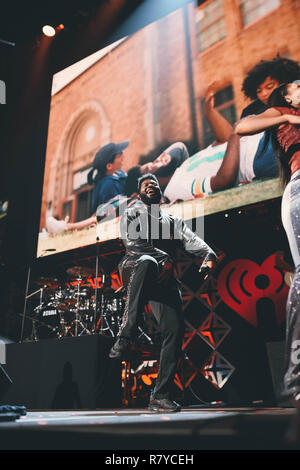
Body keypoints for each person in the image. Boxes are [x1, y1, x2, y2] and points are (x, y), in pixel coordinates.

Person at [108, 173, 217, 412]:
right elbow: (132, 245)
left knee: (175, 332)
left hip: (162, 280)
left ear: (160, 191)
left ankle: (160, 395)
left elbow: (191, 239)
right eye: (146, 185)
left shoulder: (172, 220)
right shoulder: (132, 213)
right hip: (135, 268)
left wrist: (210, 255)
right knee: (147, 259)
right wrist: (163, 256)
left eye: (155, 184)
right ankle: (127, 333)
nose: (151, 186)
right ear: (139, 193)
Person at [234, 80, 300, 441]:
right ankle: (296, 379)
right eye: (298, 86)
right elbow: (242, 126)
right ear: (288, 97)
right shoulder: (284, 113)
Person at [165, 57, 300, 201]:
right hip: (257, 159)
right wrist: (237, 133)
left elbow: (228, 137)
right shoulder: (174, 188)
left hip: (263, 140)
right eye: (150, 167)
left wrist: (209, 112)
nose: (159, 160)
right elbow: (223, 180)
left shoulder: (191, 161)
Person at [46, 141, 189, 234]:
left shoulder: (122, 178)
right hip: (116, 215)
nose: (122, 156)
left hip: (127, 212)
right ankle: (67, 228)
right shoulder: (108, 184)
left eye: (161, 161)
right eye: (119, 155)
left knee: (121, 205)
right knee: (115, 206)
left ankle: (67, 228)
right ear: (109, 166)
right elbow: (108, 211)